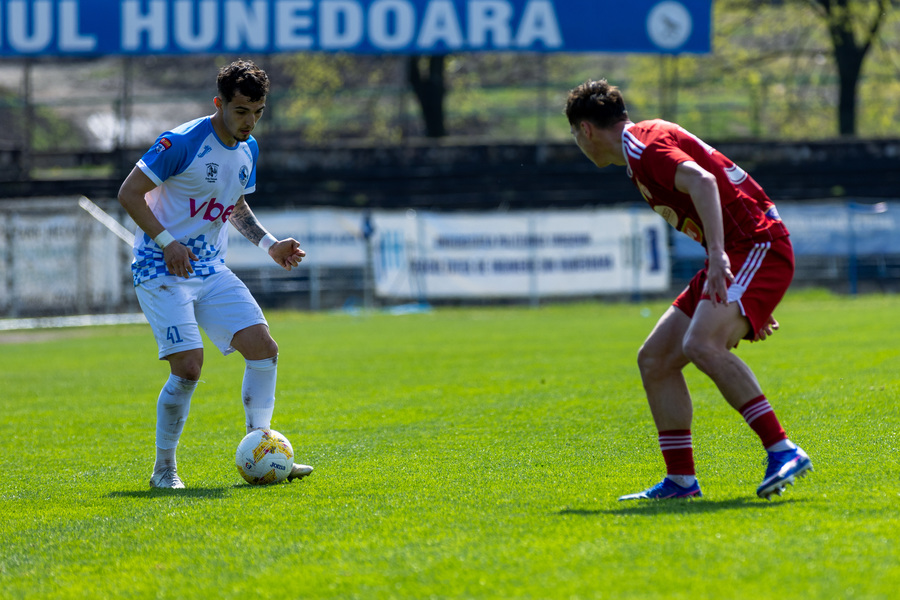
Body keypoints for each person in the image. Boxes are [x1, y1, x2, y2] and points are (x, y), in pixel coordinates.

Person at [564, 79, 812, 500]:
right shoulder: (639, 150)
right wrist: (747, 294)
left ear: (586, 130)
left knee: (701, 344)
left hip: (753, 246)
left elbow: (703, 182)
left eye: (574, 135)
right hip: (742, 252)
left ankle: (783, 449)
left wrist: (719, 256)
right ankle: (681, 481)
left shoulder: (645, 147)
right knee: (656, 359)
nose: (577, 144)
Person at [118, 59, 313, 489]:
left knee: (264, 348)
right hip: (160, 266)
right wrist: (167, 241)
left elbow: (234, 205)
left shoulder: (249, 149)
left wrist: (270, 245)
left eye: (258, 112)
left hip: (209, 268)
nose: (250, 122)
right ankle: (164, 471)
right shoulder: (182, 142)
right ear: (219, 103)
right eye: (242, 111)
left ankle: (265, 452)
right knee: (189, 367)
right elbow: (129, 193)